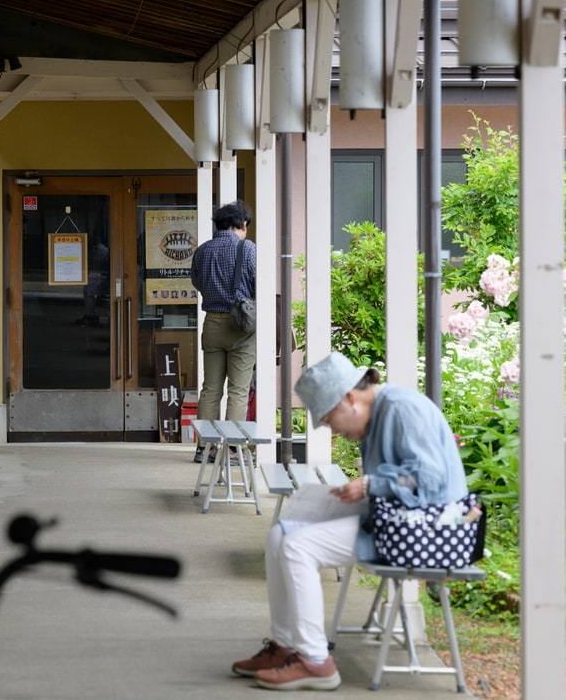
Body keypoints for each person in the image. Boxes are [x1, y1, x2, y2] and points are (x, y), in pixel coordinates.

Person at [231, 352, 467, 691]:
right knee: (280, 535)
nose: (333, 430)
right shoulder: (378, 414)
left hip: (429, 527)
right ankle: (284, 646)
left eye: (329, 419)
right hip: (398, 518)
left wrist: (371, 484)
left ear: (349, 398)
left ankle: (315, 662)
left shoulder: (402, 408)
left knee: (298, 547)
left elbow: (429, 479)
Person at [190, 200, 257, 433]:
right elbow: (259, 285)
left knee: (210, 389)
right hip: (241, 327)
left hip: (212, 324)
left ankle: (204, 447)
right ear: (242, 224)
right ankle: (231, 449)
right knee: (238, 391)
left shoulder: (202, 251)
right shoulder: (247, 249)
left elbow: (197, 283)